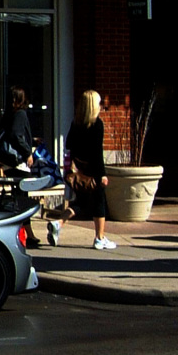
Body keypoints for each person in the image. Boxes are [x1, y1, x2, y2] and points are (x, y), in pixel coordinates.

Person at [59, 89, 115, 250]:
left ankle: (59, 221)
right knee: (99, 201)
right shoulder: (97, 124)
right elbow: (97, 152)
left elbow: (69, 144)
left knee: (81, 202)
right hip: (93, 170)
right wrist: (102, 175)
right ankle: (99, 237)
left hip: (79, 170)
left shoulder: (76, 122)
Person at [0, 85, 41, 247]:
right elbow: (15, 135)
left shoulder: (8, 114)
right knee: (23, 198)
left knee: (19, 197)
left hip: (8, 162)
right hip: (18, 162)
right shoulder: (20, 114)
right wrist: (28, 152)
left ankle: (27, 234)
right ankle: (27, 235)